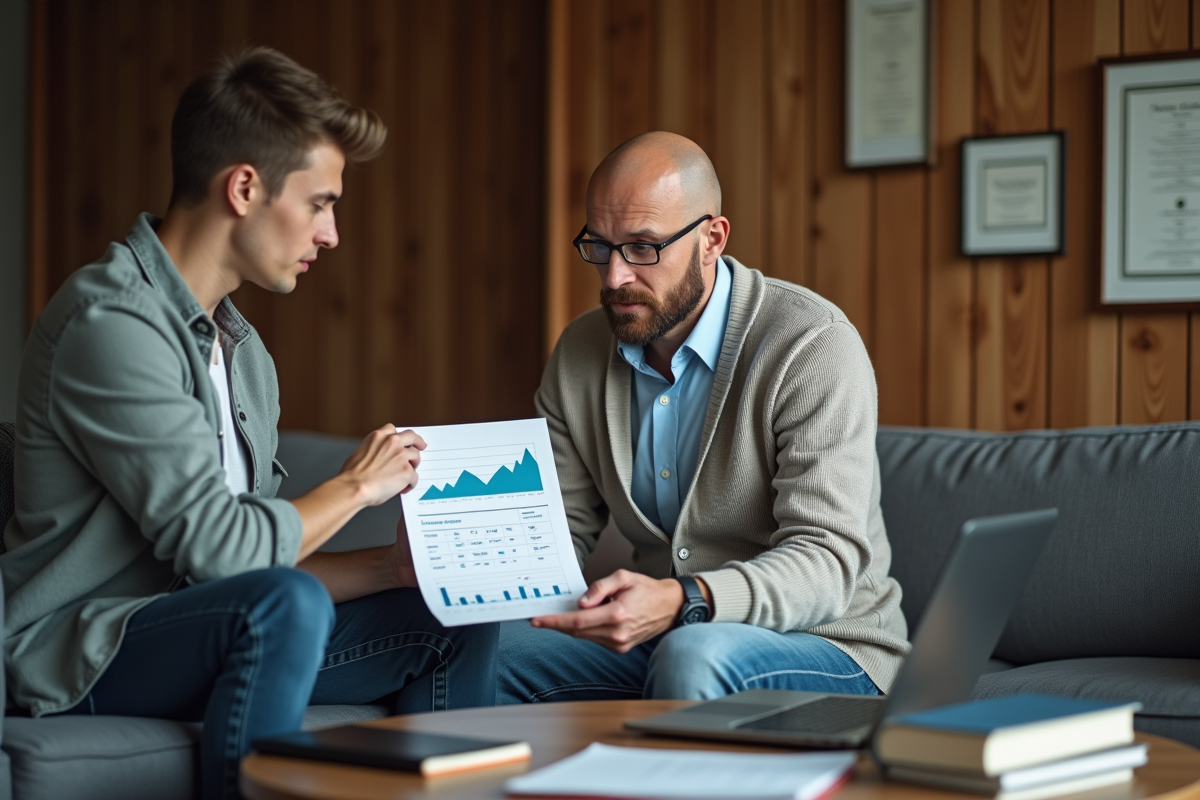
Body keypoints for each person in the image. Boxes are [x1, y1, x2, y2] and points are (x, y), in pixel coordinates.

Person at [2, 48, 497, 799]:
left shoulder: (245, 355)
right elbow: (233, 560)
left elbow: (247, 575)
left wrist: (390, 570)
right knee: (283, 602)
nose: (330, 234)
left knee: (455, 614)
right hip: (81, 654)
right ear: (244, 188)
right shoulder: (111, 324)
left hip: (214, 629)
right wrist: (355, 489)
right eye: (322, 203)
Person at [497, 131, 909, 704]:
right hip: (669, 634)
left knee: (693, 654)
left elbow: (825, 562)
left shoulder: (811, 345)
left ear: (712, 238)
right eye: (601, 246)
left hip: (828, 644)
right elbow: (556, 532)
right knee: (485, 651)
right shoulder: (579, 353)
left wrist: (683, 598)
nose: (614, 277)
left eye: (643, 247)